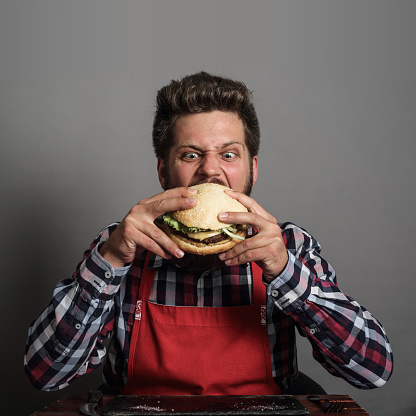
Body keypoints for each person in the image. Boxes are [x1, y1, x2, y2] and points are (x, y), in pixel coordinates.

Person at [24, 71, 393, 395]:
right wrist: (111, 259)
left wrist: (286, 274)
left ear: (253, 169)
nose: (211, 171)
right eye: (189, 155)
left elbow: (374, 370)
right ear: (163, 172)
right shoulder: (124, 244)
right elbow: (45, 373)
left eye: (229, 154)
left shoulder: (289, 246)